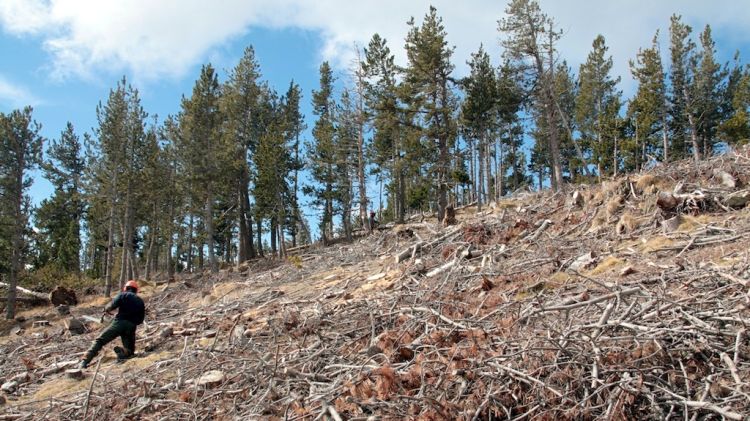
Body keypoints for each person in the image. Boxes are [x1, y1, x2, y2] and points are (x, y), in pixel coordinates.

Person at [79, 280, 145, 368]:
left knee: (100, 340)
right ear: (136, 290)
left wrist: (106, 309)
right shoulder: (140, 301)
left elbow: (111, 306)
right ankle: (123, 353)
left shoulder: (123, 295)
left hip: (119, 323)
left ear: (125, 288)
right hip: (131, 326)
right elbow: (140, 320)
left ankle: (84, 361)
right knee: (130, 351)